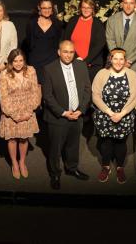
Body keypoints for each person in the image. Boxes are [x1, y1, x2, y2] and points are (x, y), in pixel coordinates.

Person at [42, 40, 91, 190]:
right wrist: (63, 112)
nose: (68, 55)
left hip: (77, 114)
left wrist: (81, 110)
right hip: (58, 117)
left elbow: (87, 89)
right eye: (65, 52)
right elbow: (48, 96)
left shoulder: (81, 65)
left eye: (71, 52)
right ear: (59, 52)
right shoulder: (49, 69)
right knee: (55, 148)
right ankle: (55, 174)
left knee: (73, 145)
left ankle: (72, 168)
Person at [92, 48, 136, 183]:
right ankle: (105, 166)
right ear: (110, 59)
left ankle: (120, 167)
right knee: (106, 143)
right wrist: (109, 112)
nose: (118, 62)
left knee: (120, 143)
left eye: (121, 59)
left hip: (124, 116)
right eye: (115, 58)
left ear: (125, 61)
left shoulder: (132, 74)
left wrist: (122, 114)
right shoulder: (102, 73)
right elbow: (95, 95)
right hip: (105, 115)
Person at [0, 49, 41, 179]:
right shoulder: (4, 74)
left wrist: (29, 111)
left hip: (27, 110)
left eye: (21, 60)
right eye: (15, 61)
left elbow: (35, 92)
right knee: (12, 139)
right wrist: (14, 115)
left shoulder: (31, 71)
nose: (18, 64)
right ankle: (14, 163)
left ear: (24, 60)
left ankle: (22, 162)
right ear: (10, 62)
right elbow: (3, 97)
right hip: (11, 112)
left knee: (23, 138)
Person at [63, 0, 107, 82]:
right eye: (84, 7)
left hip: (91, 66)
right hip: (72, 62)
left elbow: (99, 45)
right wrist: (75, 58)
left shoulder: (98, 24)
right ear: (80, 8)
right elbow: (66, 40)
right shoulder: (73, 21)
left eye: (89, 7)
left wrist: (84, 61)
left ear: (93, 9)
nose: (86, 10)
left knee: (89, 93)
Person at [106, 0, 136, 78]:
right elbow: (110, 40)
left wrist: (129, 61)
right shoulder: (112, 20)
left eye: (131, 3)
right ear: (121, 4)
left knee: (134, 91)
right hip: (115, 64)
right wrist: (119, 60)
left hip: (135, 65)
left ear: (135, 5)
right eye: (126, 3)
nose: (128, 6)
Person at [23, 0, 63, 84]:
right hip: (35, 63)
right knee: (36, 92)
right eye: (44, 8)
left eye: (49, 8)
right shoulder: (31, 24)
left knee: (49, 92)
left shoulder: (57, 24)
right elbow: (29, 44)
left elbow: (58, 43)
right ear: (39, 8)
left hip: (52, 63)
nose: (47, 10)